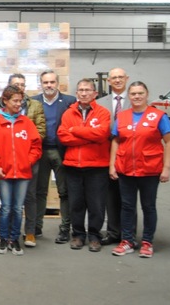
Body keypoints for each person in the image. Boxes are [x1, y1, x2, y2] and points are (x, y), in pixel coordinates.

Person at [109, 81, 170, 258]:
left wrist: (166, 168)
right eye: (133, 94)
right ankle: (127, 241)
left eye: (140, 93)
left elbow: (169, 142)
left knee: (148, 206)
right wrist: (112, 165)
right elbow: (116, 141)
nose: (137, 97)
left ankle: (147, 242)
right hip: (125, 169)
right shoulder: (122, 116)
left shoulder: (158, 116)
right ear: (128, 96)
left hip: (150, 170)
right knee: (127, 206)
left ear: (146, 94)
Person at [0, 85, 42, 256]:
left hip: (23, 173)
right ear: (5, 101)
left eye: (20, 101)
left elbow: (36, 146)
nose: (18, 104)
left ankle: (14, 238)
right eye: (15, 101)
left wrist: (27, 162)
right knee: (6, 207)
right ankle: (3, 237)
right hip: (3, 173)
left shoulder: (26, 122)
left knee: (17, 207)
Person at [58, 78, 111, 252]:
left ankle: (95, 236)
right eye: (80, 90)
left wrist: (75, 131)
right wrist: (89, 136)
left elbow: (102, 134)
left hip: (97, 167)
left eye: (88, 90)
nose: (84, 93)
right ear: (77, 93)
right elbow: (63, 137)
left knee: (96, 204)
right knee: (76, 203)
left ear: (95, 93)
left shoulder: (103, 113)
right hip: (73, 166)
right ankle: (78, 235)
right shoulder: (68, 114)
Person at [31, 70, 76, 244]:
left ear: (58, 83)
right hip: (40, 151)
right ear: (40, 84)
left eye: (52, 82)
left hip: (61, 152)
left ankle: (65, 228)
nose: (49, 85)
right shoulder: (34, 102)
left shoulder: (69, 101)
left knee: (64, 191)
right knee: (39, 191)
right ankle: (36, 227)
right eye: (45, 82)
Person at [96, 67, 131, 246]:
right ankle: (113, 232)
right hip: (107, 154)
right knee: (111, 196)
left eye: (120, 77)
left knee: (128, 197)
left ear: (126, 78)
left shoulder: (135, 100)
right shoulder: (101, 103)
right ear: (108, 81)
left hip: (130, 155)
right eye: (114, 78)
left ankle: (128, 235)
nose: (117, 80)